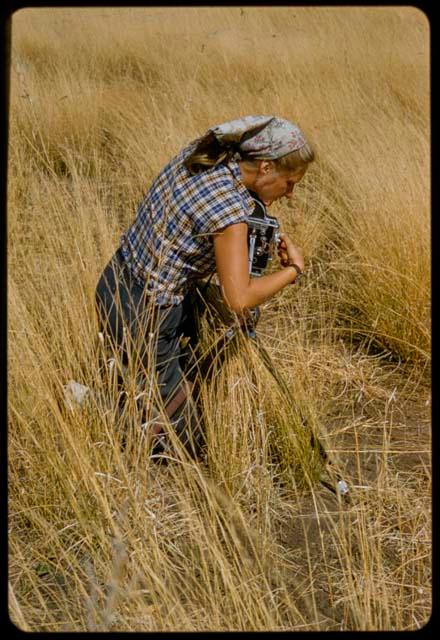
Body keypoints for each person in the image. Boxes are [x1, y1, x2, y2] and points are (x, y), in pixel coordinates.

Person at [95, 115, 315, 459]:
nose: (290, 194)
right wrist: (293, 272)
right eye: (289, 183)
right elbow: (239, 299)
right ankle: (100, 420)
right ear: (266, 167)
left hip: (116, 281)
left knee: (157, 379)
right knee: (185, 445)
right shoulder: (229, 212)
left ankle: (123, 398)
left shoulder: (206, 157)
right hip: (145, 315)